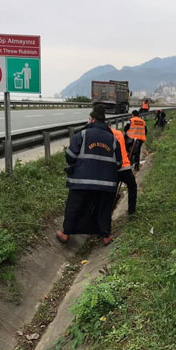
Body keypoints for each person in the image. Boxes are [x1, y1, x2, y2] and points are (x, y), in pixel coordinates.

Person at [56, 105, 122, 246]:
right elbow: (118, 162)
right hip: (106, 183)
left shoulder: (83, 134)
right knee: (104, 208)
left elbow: (70, 156)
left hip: (82, 180)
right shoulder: (112, 138)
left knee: (74, 206)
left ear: (92, 120)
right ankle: (105, 236)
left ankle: (66, 234)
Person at [110, 127, 137, 215]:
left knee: (111, 192)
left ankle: (108, 212)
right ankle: (131, 211)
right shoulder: (119, 133)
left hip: (112, 169)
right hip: (125, 166)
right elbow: (130, 142)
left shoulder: (103, 135)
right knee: (132, 187)